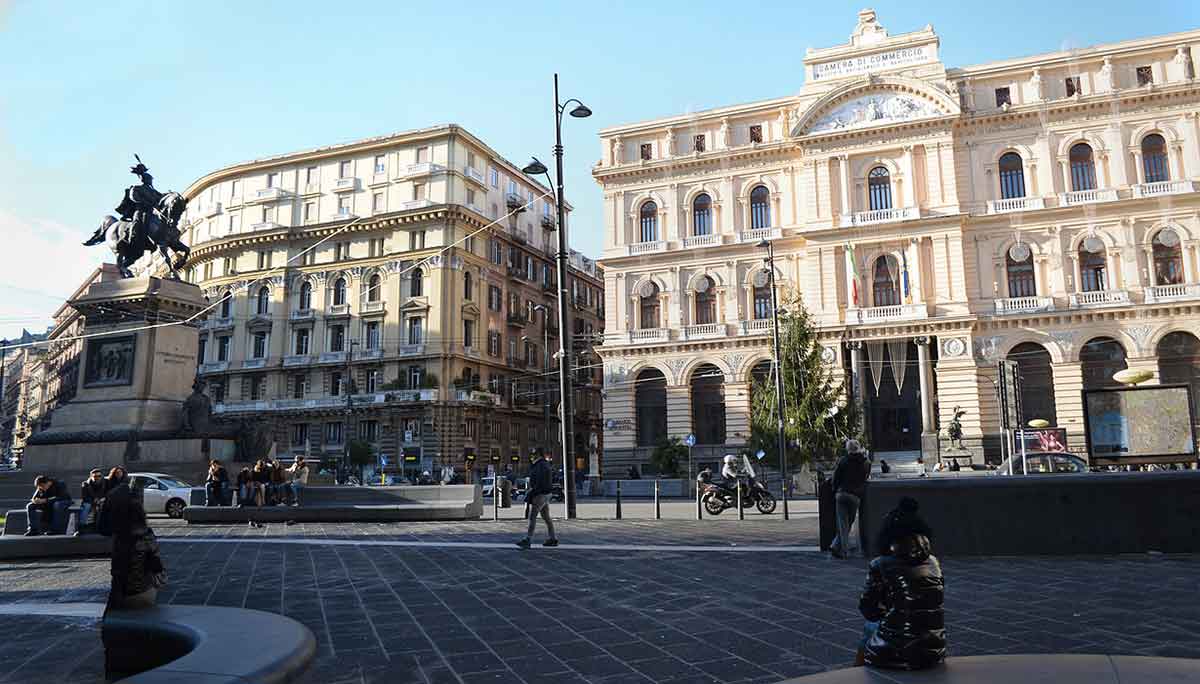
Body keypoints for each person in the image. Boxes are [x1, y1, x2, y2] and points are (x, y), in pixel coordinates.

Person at [857, 497, 945, 670]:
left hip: (895, 650)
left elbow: (868, 609)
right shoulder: (934, 562)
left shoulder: (881, 564)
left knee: (870, 627)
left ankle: (857, 671)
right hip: (934, 648)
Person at [102, 469, 166, 611]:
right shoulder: (147, 536)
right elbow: (158, 567)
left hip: (121, 595)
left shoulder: (119, 540)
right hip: (142, 594)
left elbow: (103, 527)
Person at [831, 439, 871, 559]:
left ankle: (840, 548)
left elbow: (836, 477)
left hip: (842, 494)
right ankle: (839, 547)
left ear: (848, 449)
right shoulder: (866, 462)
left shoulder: (843, 460)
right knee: (849, 522)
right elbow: (866, 477)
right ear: (858, 448)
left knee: (843, 523)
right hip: (855, 496)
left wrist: (834, 489)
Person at [516, 450, 558, 548]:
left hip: (540, 494)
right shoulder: (544, 464)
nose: (532, 456)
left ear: (538, 455)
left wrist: (534, 492)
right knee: (546, 517)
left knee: (532, 516)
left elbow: (539, 481)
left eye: (533, 454)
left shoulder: (540, 465)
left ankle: (528, 539)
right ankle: (553, 538)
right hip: (546, 493)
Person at [78, 468, 108, 535]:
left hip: (102, 500)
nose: (97, 478)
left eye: (99, 476)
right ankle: (81, 527)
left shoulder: (106, 482)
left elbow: (108, 493)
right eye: (95, 476)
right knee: (86, 507)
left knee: (103, 506)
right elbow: (85, 497)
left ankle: (101, 527)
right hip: (90, 501)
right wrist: (94, 501)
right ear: (91, 477)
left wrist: (102, 499)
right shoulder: (85, 484)